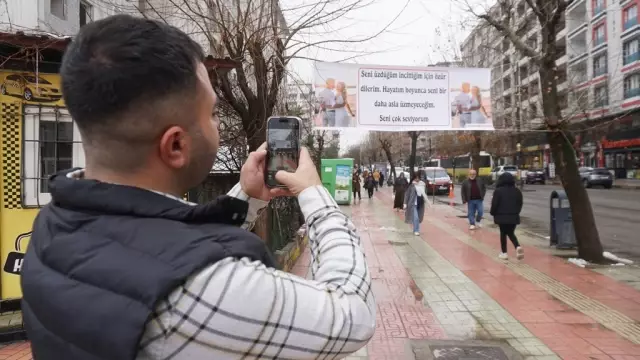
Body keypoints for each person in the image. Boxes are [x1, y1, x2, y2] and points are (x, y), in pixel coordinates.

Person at [20, 15, 375, 360]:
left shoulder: (54, 223)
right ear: (175, 145)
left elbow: (160, 246)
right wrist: (314, 194)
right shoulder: (205, 287)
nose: (218, 124)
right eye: (214, 113)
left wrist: (246, 197)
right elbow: (352, 314)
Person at [490, 172, 524, 260]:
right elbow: (520, 203)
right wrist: (516, 212)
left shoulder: (498, 191)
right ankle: (517, 246)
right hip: (514, 216)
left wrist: (493, 212)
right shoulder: (517, 191)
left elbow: (495, 204)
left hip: (501, 216)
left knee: (503, 233)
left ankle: (504, 252)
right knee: (510, 232)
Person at [403, 170, 426, 235]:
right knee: (415, 218)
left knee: (418, 218)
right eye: (416, 178)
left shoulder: (422, 184)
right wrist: (405, 203)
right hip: (413, 204)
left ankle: (415, 229)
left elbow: (424, 194)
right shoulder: (411, 185)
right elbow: (407, 194)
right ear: (414, 178)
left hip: (420, 204)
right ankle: (416, 231)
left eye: (418, 178)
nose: (417, 179)